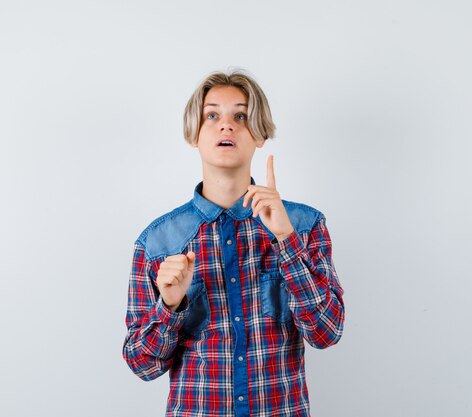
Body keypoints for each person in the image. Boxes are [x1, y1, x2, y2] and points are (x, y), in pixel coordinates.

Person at [121, 69, 345, 417]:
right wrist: (169, 306)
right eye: (212, 115)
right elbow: (142, 365)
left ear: (259, 133)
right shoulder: (158, 242)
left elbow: (326, 333)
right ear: (194, 134)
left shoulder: (304, 225)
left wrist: (286, 241)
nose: (226, 126)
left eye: (240, 116)